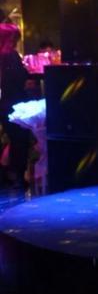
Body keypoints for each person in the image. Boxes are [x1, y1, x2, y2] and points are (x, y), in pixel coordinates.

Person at [0, 23, 32, 191]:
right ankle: (18, 175)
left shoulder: (5, 56)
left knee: (14, 139)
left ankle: (12, 174)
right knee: (20, 140)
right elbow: (19, 78)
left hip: (5, 103)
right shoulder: (10, 56)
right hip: (14, 103)